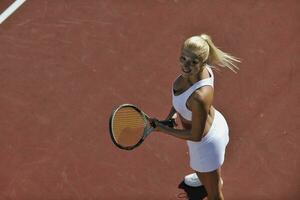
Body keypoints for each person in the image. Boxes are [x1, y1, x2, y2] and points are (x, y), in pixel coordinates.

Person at [151, 34, 240, 200]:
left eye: (192, 62)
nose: (185, 65)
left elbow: (195, 135)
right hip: (210, 127)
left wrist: (162, 129)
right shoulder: (199, 73)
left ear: (203, 62)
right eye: (183, 58)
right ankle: (206, 178)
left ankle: (211, 179)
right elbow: (180, 100)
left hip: (206, 143)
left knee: (214, 195)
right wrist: (171, 116)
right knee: (204, 172)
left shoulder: (200, 96)